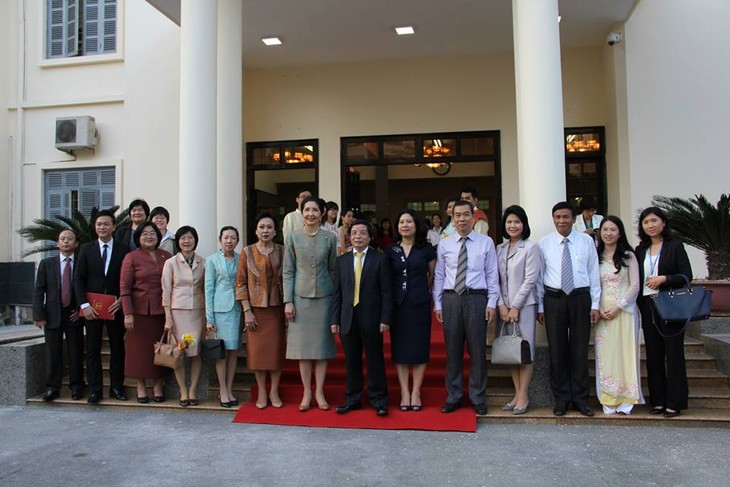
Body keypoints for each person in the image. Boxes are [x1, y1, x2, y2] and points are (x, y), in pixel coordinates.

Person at [433, 200, 499, 415]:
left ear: (474, 217)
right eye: (457, 215)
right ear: (452, 218)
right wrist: (438, 303)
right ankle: (454, 395)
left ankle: (477, 396)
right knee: (453, 351)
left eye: (465, 215)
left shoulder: (486, 242)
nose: (461, 219)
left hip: (476, 299)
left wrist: (491, 303)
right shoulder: (445, 243)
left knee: (477, 350)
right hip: (452, 299)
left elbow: (492, 275)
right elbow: (440, 275)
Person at [537, 201, 601, 417]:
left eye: (565, 217)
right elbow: (539, 277)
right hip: (553, 299)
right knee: (557, 352)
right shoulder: (544, 243)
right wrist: (539, 306)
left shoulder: (586, 241)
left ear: (574, 219)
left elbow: (593, 274)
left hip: (580, 298)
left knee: (579, 350)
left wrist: (595, 304)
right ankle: (562, 399)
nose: (561, 221)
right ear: (553, 219)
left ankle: (581, 399)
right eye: (557, 217)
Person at [635, 207, 692, 418]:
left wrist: (664, 279)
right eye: (645, 222)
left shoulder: (675, 246)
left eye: (653, 221)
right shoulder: (640, 250)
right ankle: (657, 400)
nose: (650, 225)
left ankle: (675, 402)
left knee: (674, 354)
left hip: (671, 305)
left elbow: (686, 275)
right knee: (653, 353)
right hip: (648, 306)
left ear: (663, 223)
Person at [331, 219, 392, 416]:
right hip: (348, 318)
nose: (357, 236)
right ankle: (352, 399)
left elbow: (386, 292)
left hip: (372, 318)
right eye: (354, 233)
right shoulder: (342, 261)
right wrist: (334, 319)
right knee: (352, 361)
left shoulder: (380, 259)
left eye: (362, 233)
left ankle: (379, 400)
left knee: (375, 359)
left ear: (369, 237)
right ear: (349, 237)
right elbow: (337, 293)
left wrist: (385, 319)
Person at [283, 196, 338, 411]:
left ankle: (320, 391)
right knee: (303, 350)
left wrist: (336, 300)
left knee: (322, 348)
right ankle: (306, 391)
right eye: (306, 210)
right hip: (300, 298)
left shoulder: (329, 238)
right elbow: (288, 271)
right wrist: (288, 301)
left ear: (322, 213)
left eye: (315, 210)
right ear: (301, 211)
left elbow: (333, 269)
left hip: (325, 297)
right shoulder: (292, 237)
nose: (310, 214)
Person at [74, 209, 130, 404]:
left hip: (115, 308)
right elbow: (78, 279)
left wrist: (123, 299)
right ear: (95, 227)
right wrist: (84, 305)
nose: (102, 227)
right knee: (92, 349)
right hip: (92, 309)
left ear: (114, 226)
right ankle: (95, 389)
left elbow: (129, 279)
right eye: (99, 224)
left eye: (106, 224)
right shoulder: (86, 249)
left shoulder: (124, 250)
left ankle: (116, 387)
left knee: (117, 349)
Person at [386, 210, 435, 412]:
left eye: (409, 221)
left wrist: (422, 292)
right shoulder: (391, 250)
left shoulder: (427, 249)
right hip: (398, 305)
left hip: (419, 304)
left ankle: (416, 391)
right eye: (401, 221)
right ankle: (404, 391)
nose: (405, 225)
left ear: (416, 225)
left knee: (419, 347)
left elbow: (432, 275)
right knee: (400, 349)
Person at [236, 215, 286, 410]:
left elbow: (288, 277)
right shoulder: (247, 252)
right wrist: (247, 310)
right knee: (257, 354)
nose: (265, 230)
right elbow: (240, 283)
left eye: (269, 227)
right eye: (262, 227)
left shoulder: (282, 251)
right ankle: (262, 391)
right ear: (256, 231)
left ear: (275, 231)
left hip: (276, 309)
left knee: (275, 353)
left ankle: (274, 390)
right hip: (255, 309)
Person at [595, 215, 644, 415]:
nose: (608, 233)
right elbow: (592, 284)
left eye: (613, 229)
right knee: (606, 355)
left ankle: (626, 397)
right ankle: (608, 396)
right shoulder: (595, 257)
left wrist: (619, 306)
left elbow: (635, 285)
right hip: (602, 311)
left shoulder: (628, 256)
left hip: (625, 311)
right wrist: (597, 307)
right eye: (605, 229)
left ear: (620, 232)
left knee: (626, 352)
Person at [496, 205, 541, 415]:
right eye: (509, 222)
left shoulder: (530, 248)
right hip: (504, 308)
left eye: (517, 222)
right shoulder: (499, 249)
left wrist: (515, 306)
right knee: (510, 350)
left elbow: (531, 279)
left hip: (524, 306)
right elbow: (493, 279)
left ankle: (524, 395)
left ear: (524, 225)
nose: (513, 225)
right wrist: (502, 306)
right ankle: (516, 393)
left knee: (525, 350)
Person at [120, 222, 172, 403]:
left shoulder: (166, 256)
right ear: (138, 238)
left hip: (162, 310)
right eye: (145, 234)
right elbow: (125, 288)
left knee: (160, 349)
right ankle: (140, 386)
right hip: (139, 312)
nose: (149, 236)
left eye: (153, 233)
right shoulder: (131, 257)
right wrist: (128, 313)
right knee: (139, 352)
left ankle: (158, 384)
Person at [33, 229, 84, 401]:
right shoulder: (47, 264)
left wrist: (81, 310)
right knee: (53, 352)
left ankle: (77, 386)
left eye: (70, 239)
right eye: (63, 239)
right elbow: (39, 290)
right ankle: (52, 387)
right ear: (57, 243)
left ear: (76, 243)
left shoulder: (81, 263)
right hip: (52, 314)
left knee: (75, 351)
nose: (66, 242)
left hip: (74, 313)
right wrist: (38, 315)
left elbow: (88, 288)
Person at [161, 226, 206, 407]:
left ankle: (193, 389)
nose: (186, 241)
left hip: (197, 311)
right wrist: (168, 317)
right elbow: (166, 291)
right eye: (183, 238)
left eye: (190, 238)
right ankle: (182, 390)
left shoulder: (203, 262)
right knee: (179, 352)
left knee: (196, 353)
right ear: (178, 241)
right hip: (177, 312)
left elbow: (206, 288)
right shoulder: (170, 263)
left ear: (195, 240)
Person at [207, 226, 243, 408]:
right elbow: (209, 289)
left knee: (233, 351)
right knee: (222, 352)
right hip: (220, 310)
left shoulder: (241, 257)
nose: (229, 241)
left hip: (238, 309)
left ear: (237, 240)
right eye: (226, 237)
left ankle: (230, 388)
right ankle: (222, 390)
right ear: (220, 239)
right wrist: (209, 318)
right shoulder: (212, 260)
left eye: (233, 238)